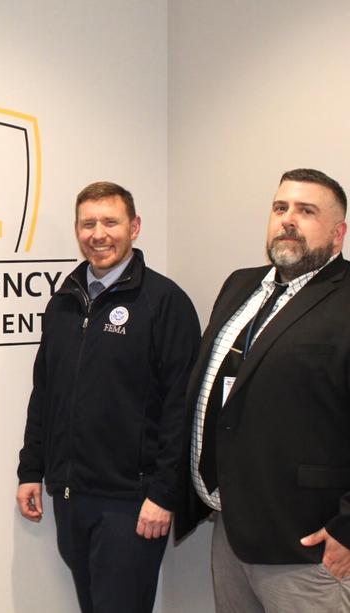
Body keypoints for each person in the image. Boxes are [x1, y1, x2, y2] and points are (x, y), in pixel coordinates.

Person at [16, 181, 200, 612]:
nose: (98, 234)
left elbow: (182, 407)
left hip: (131, 504)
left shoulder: (164, 302)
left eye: (110, 222)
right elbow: (45, 393)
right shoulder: (64, 302)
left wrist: (164, 494)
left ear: (134, 227)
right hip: (71, 496)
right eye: (88, 224)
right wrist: (31, 469)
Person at [177, 168, 350, 612]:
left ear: (338, 233)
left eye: (306, 211)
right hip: (229, 526)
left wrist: (348, 530)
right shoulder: (240, 283)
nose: (288, 219)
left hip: (304, 544)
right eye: (280, 207)